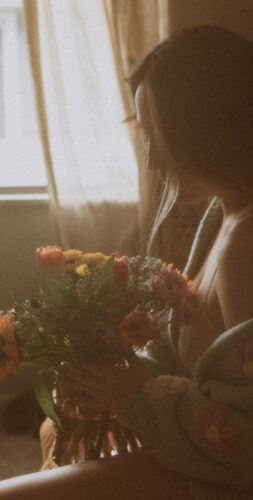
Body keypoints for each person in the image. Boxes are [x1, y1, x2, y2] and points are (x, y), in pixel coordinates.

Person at [1, 25, 253, 500]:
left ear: (205, 127)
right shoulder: (224, 213)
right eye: (145, 136)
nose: (154, 160)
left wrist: (133, 395)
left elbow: (245, 433)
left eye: (160, 136)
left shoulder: (247, 248)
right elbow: (194, 363)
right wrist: (111, 368)